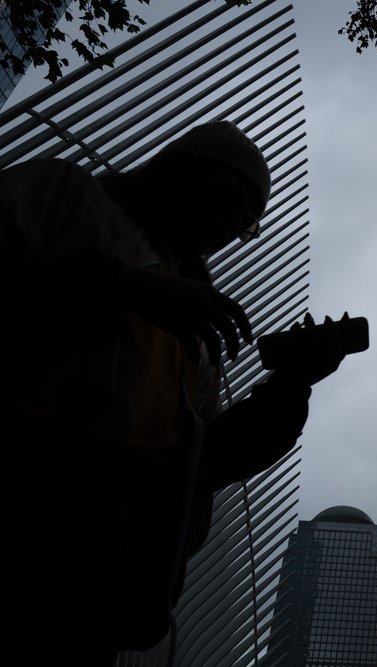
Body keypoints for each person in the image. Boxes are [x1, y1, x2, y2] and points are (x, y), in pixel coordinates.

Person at [1, 121, 340, 662]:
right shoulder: (62, 195)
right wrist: (118, 287)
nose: (235, 228)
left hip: (98, 594)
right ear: (182, 169)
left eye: (249, 222)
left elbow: (206, 461)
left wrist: (293, 383)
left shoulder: (194, 323)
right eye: (238, 204)